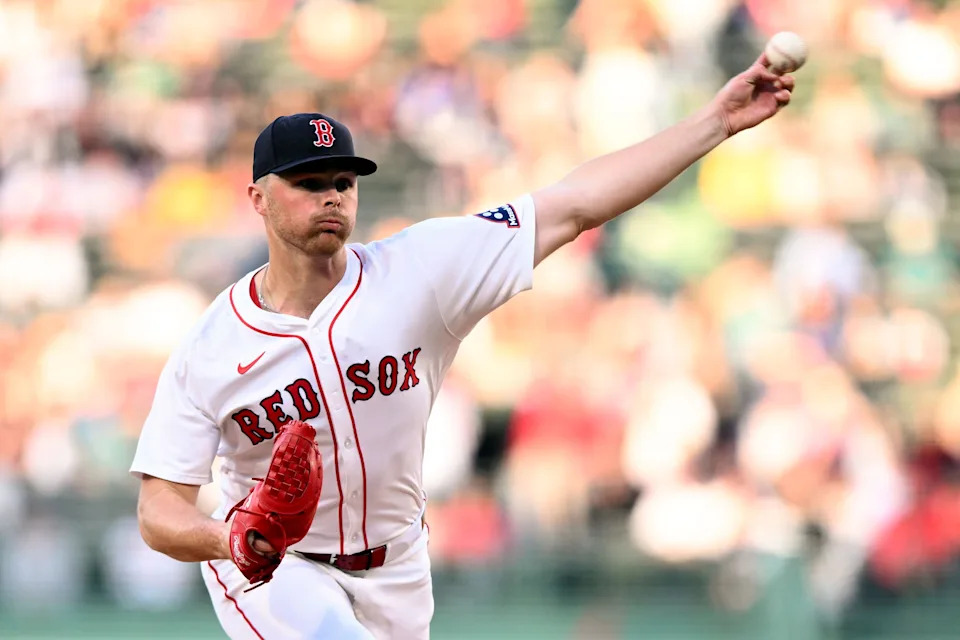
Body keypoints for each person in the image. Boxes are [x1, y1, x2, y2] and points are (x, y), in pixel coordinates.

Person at [131, 52, 795, 639]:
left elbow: (573, 205)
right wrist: (231, 538)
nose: (331, 197)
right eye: (309, 183)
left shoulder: (419, 271)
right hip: (278, 571)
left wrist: (716, 123)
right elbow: (160, 508)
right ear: (257, 198)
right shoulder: (213, 347)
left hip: (399, 564)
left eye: (343, 182)